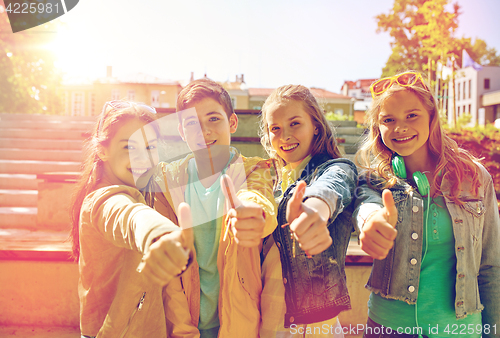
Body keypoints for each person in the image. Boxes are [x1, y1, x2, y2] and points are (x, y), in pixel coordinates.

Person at [354, 71, 500, 338]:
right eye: (389, 120)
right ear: (378, 127)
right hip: (388, 328)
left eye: (412, 115)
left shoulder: (476, 178)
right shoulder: (373, 180)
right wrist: (369, 219)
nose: (401, 127)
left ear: (432, 118)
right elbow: (366, 206)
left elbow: (492, 266)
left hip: (459, 332)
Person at [144, 78, 277, 337]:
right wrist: (182, 327)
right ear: (182, 131)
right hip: (185, 319)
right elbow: (169, 270)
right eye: (192, 123)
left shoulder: (255, 170)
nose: (204, 132)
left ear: (233, 122)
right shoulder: (167, 180)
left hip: (239, 321)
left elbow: (258, 201)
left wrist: (253, 215)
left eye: (214, 119)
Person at [69, 101, 196, 338]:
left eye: (149, 148)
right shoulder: (101, 200)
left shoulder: (147, 195)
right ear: (102, 150)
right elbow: (128, 216)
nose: (142, 159)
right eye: (129, 147)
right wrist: (159, 234)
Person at [259, 84, 357, 337]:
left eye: (295, 124)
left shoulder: (335, 168)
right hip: (269, 317)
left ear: (315, 125)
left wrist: (314, 210)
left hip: (308, 327)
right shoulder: (273, 182)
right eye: (275, 129)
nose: (284, 136)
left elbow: (331, 186)